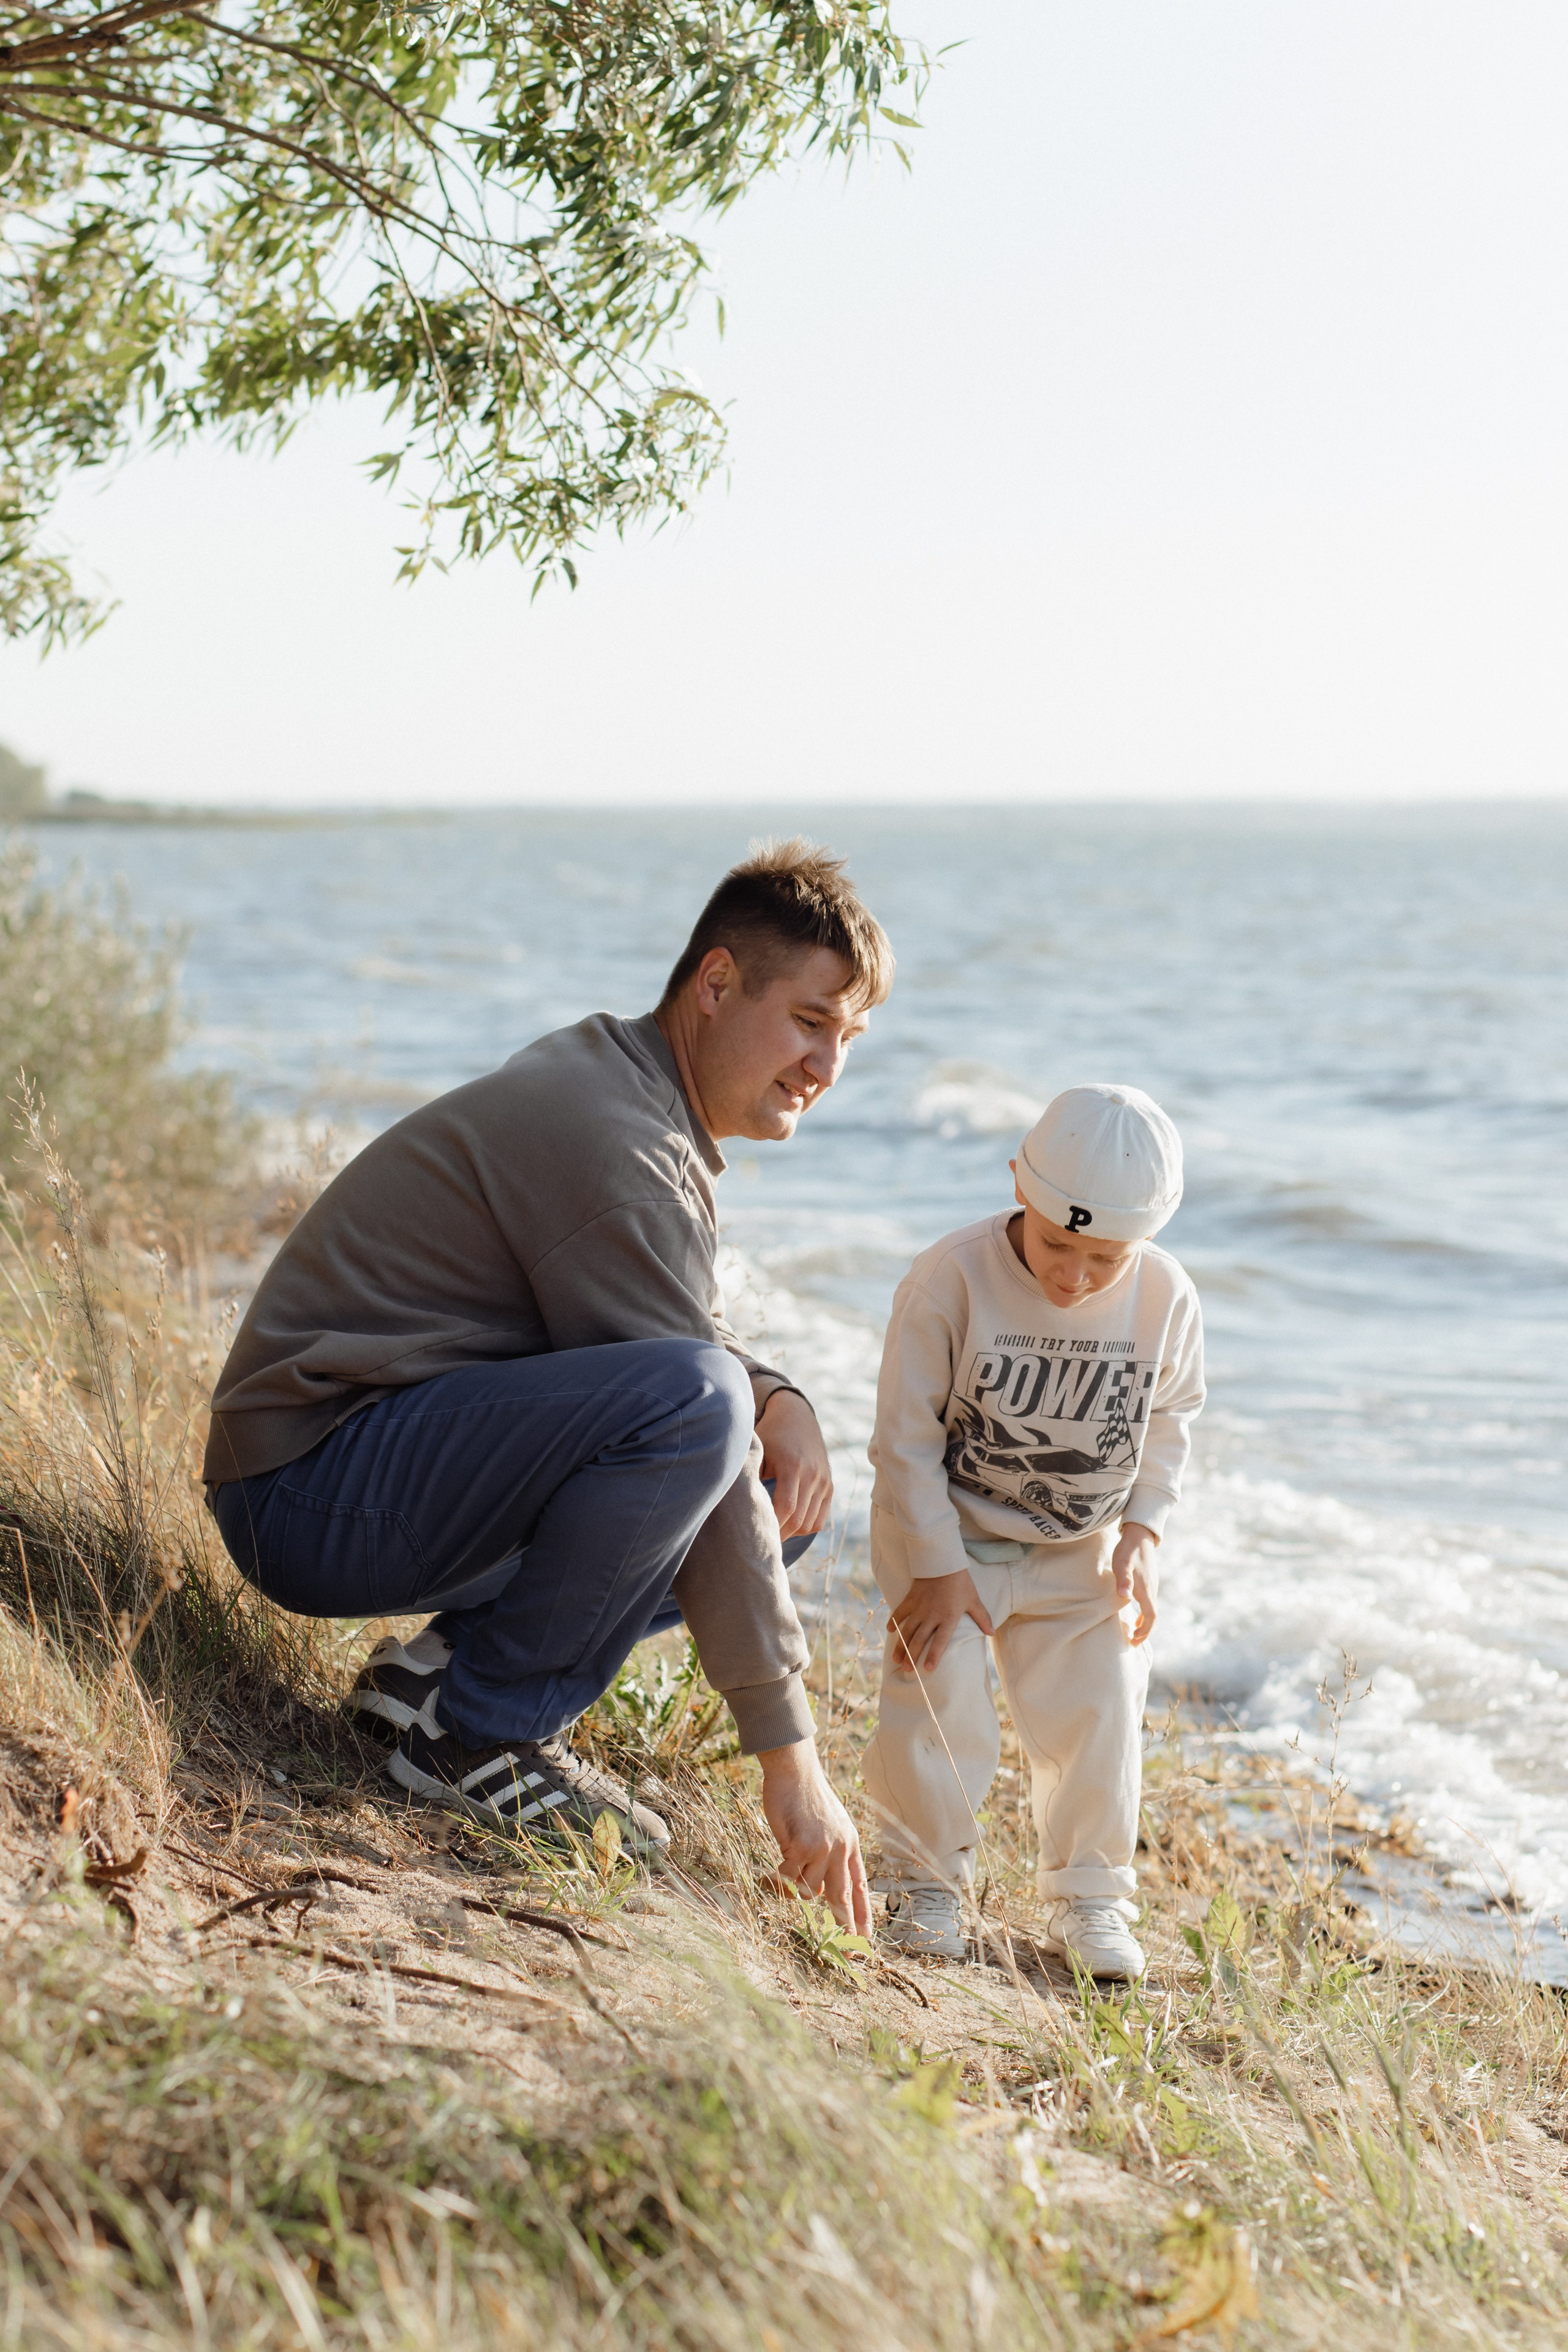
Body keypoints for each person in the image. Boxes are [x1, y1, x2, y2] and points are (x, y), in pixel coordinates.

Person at [203, 840, 892, 1934]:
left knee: (768, 1487)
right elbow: (683, 1394)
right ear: (716, 985)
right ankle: (481, 1736)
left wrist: (779, 1398)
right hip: (307, 1484)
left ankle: (435, 1682)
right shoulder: (615, 1134)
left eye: (848, 1038)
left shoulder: (627, 1088)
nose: (826, 1065)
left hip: (368, 1463)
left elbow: (663, 1331)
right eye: (810, 1022)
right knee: (709, 1431)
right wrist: (792, 1766)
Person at [861, 1083, 1205, 1978]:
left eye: (1107, 1256)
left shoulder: (1165, 1295)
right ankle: (923, 1881)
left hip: (1078, 1546)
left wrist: (1144, 1532)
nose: (1077, 1275)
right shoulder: (952, 1278)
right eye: (1059, 1243)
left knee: (1099, 1712)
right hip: (949, 1535)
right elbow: (903, 1441)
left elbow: (1171, 1416)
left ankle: (1091, 1898)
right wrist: (935, 1570)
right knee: (939, 1703)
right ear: (1020, 1183)